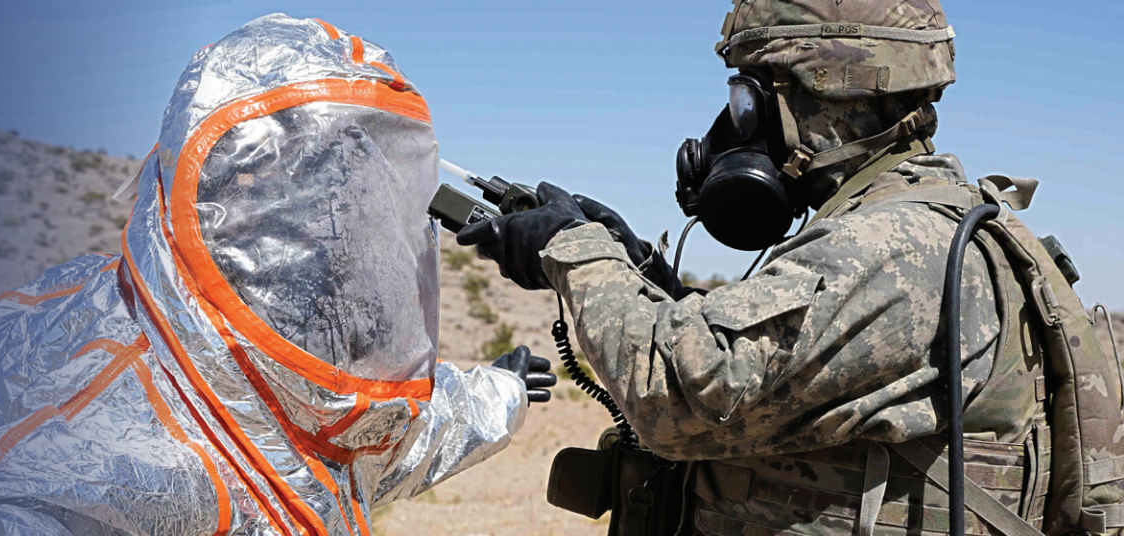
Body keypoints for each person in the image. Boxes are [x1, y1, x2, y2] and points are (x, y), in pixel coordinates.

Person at [457, 1, 1124, 535]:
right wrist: (640, 270)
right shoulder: (915, 228)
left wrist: (573, 249)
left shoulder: (895, 246)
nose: (731, 128)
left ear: (827, 96)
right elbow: (782, 366)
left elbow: (684, 398)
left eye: (749, 99)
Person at [0, 14, 555, 536]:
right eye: (304, 171)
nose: (334, 207)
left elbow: (384, 438)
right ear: (224, 179)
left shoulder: (307, 357)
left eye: (350, 175)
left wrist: (495, 391)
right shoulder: (130, 408)